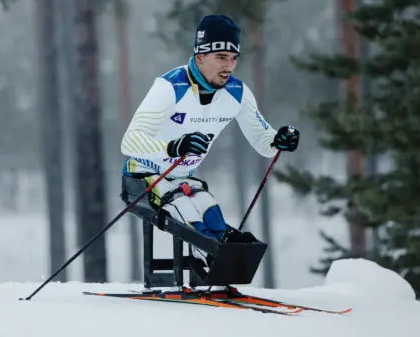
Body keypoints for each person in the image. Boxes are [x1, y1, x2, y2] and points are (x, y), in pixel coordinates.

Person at [120, 14, 299, 262]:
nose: (229, 66)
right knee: (185, 213)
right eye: (221, 58)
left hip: (183, 178)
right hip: (142, 176)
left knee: (210, 211)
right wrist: (174, 147)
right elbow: (129, 141)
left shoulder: (237, 93)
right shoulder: (170, 87)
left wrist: (279, 140)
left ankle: (223, 263)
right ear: (200, 56)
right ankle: (212, 261)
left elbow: (263, 141)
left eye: (234, 58)